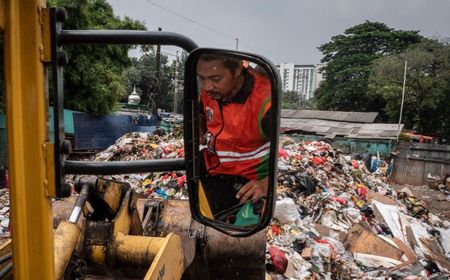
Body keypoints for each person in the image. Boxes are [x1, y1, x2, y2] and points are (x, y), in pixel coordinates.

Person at [196, 54, 271, 217]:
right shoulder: (210, 91)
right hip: (212, 168)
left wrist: (267, 183)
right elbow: (200, 119)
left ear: (237, 69)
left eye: (215, 78)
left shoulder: (265, 101)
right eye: (202, 78)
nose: (207, 86)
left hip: (247, 181)